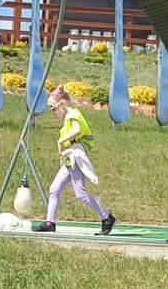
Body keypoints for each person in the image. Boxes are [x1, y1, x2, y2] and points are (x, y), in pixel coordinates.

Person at [32, 87, 116, 235]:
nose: (53, 113)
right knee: (54, 189)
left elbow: (77, 130)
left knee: (80, 193)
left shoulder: (73, 114)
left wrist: (60, 141)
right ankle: (50, 222)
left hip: (75, 158)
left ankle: (106, 217)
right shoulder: (69, 117)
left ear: (62, 104)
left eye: (54, 109)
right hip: (69, 159)